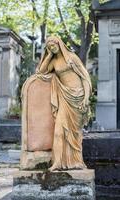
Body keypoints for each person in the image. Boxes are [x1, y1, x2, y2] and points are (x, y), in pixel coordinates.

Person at [35, 36, 92, 171]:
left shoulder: (72, 57)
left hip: (78, 97)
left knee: (76, 133)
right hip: (65, 98)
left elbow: (85, 77)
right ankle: (58, 163)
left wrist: (86, 98)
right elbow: (41, 71)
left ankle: (77, 161)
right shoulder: (53, 62)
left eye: (53, 45)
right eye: (49, 47)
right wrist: (48, 56)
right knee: (59, 131)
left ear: (59, 44)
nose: (51, 48)